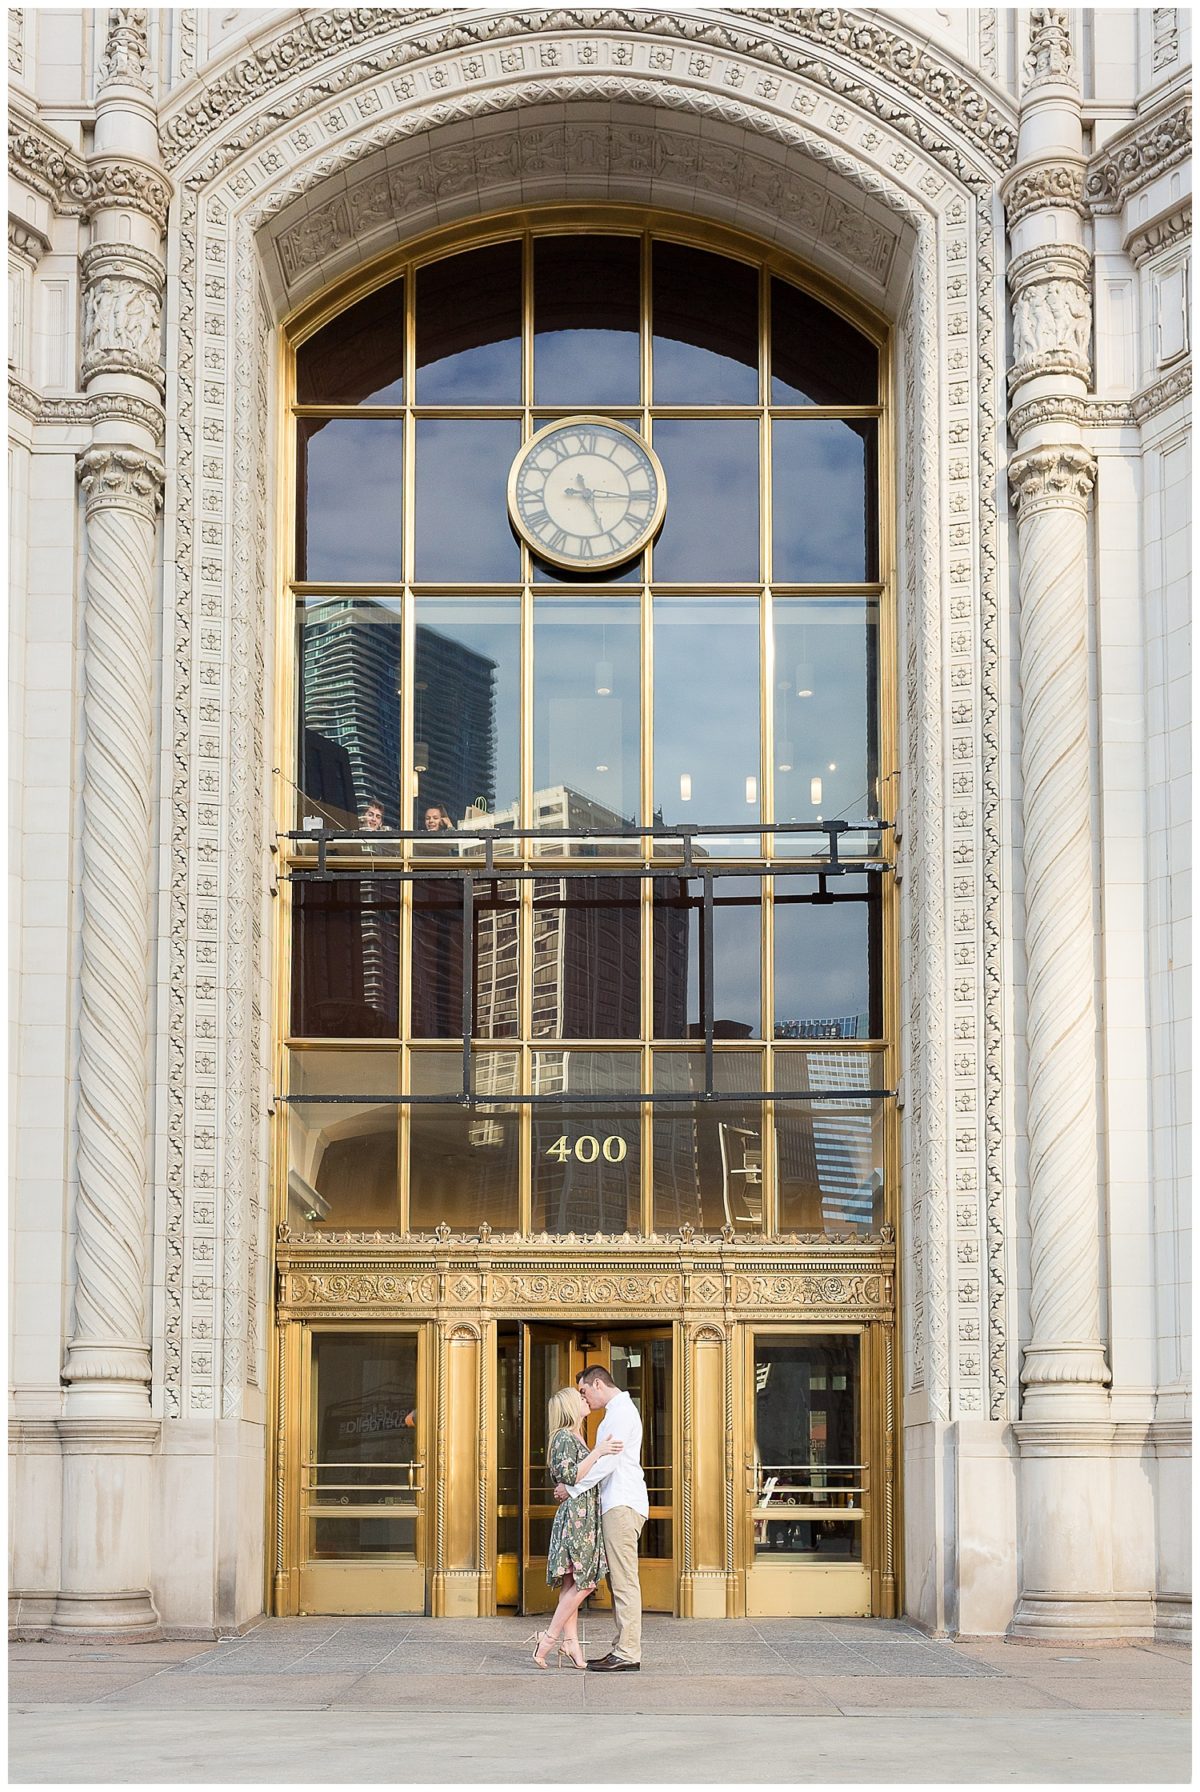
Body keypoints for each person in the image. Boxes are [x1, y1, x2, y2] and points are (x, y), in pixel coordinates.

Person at [554, 1364, 648, 1672]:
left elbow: (608, 1462)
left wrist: (571, 1487)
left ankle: (628, 1652)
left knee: (623, 1581)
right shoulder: (616, 1413)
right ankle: (623, 1648)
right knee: (621, 1580)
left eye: (583, 1391)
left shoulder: (620, 1413)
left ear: (597, 1384)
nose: (583, 1398)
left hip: (621, 1505)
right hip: (618, 1504)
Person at [531, 1386, 623, 1670]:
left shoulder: (576, 1436)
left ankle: (570, 1643)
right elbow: (570, 1475)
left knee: (573, 1581)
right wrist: (597, 1452)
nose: (585, 1401)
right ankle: (547, 1639)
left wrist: (594, 1452)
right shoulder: (562, 1438)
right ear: (570, 1406)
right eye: (580, 1399)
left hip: (584, 1514)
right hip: (576, 1516)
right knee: (587, 1580)